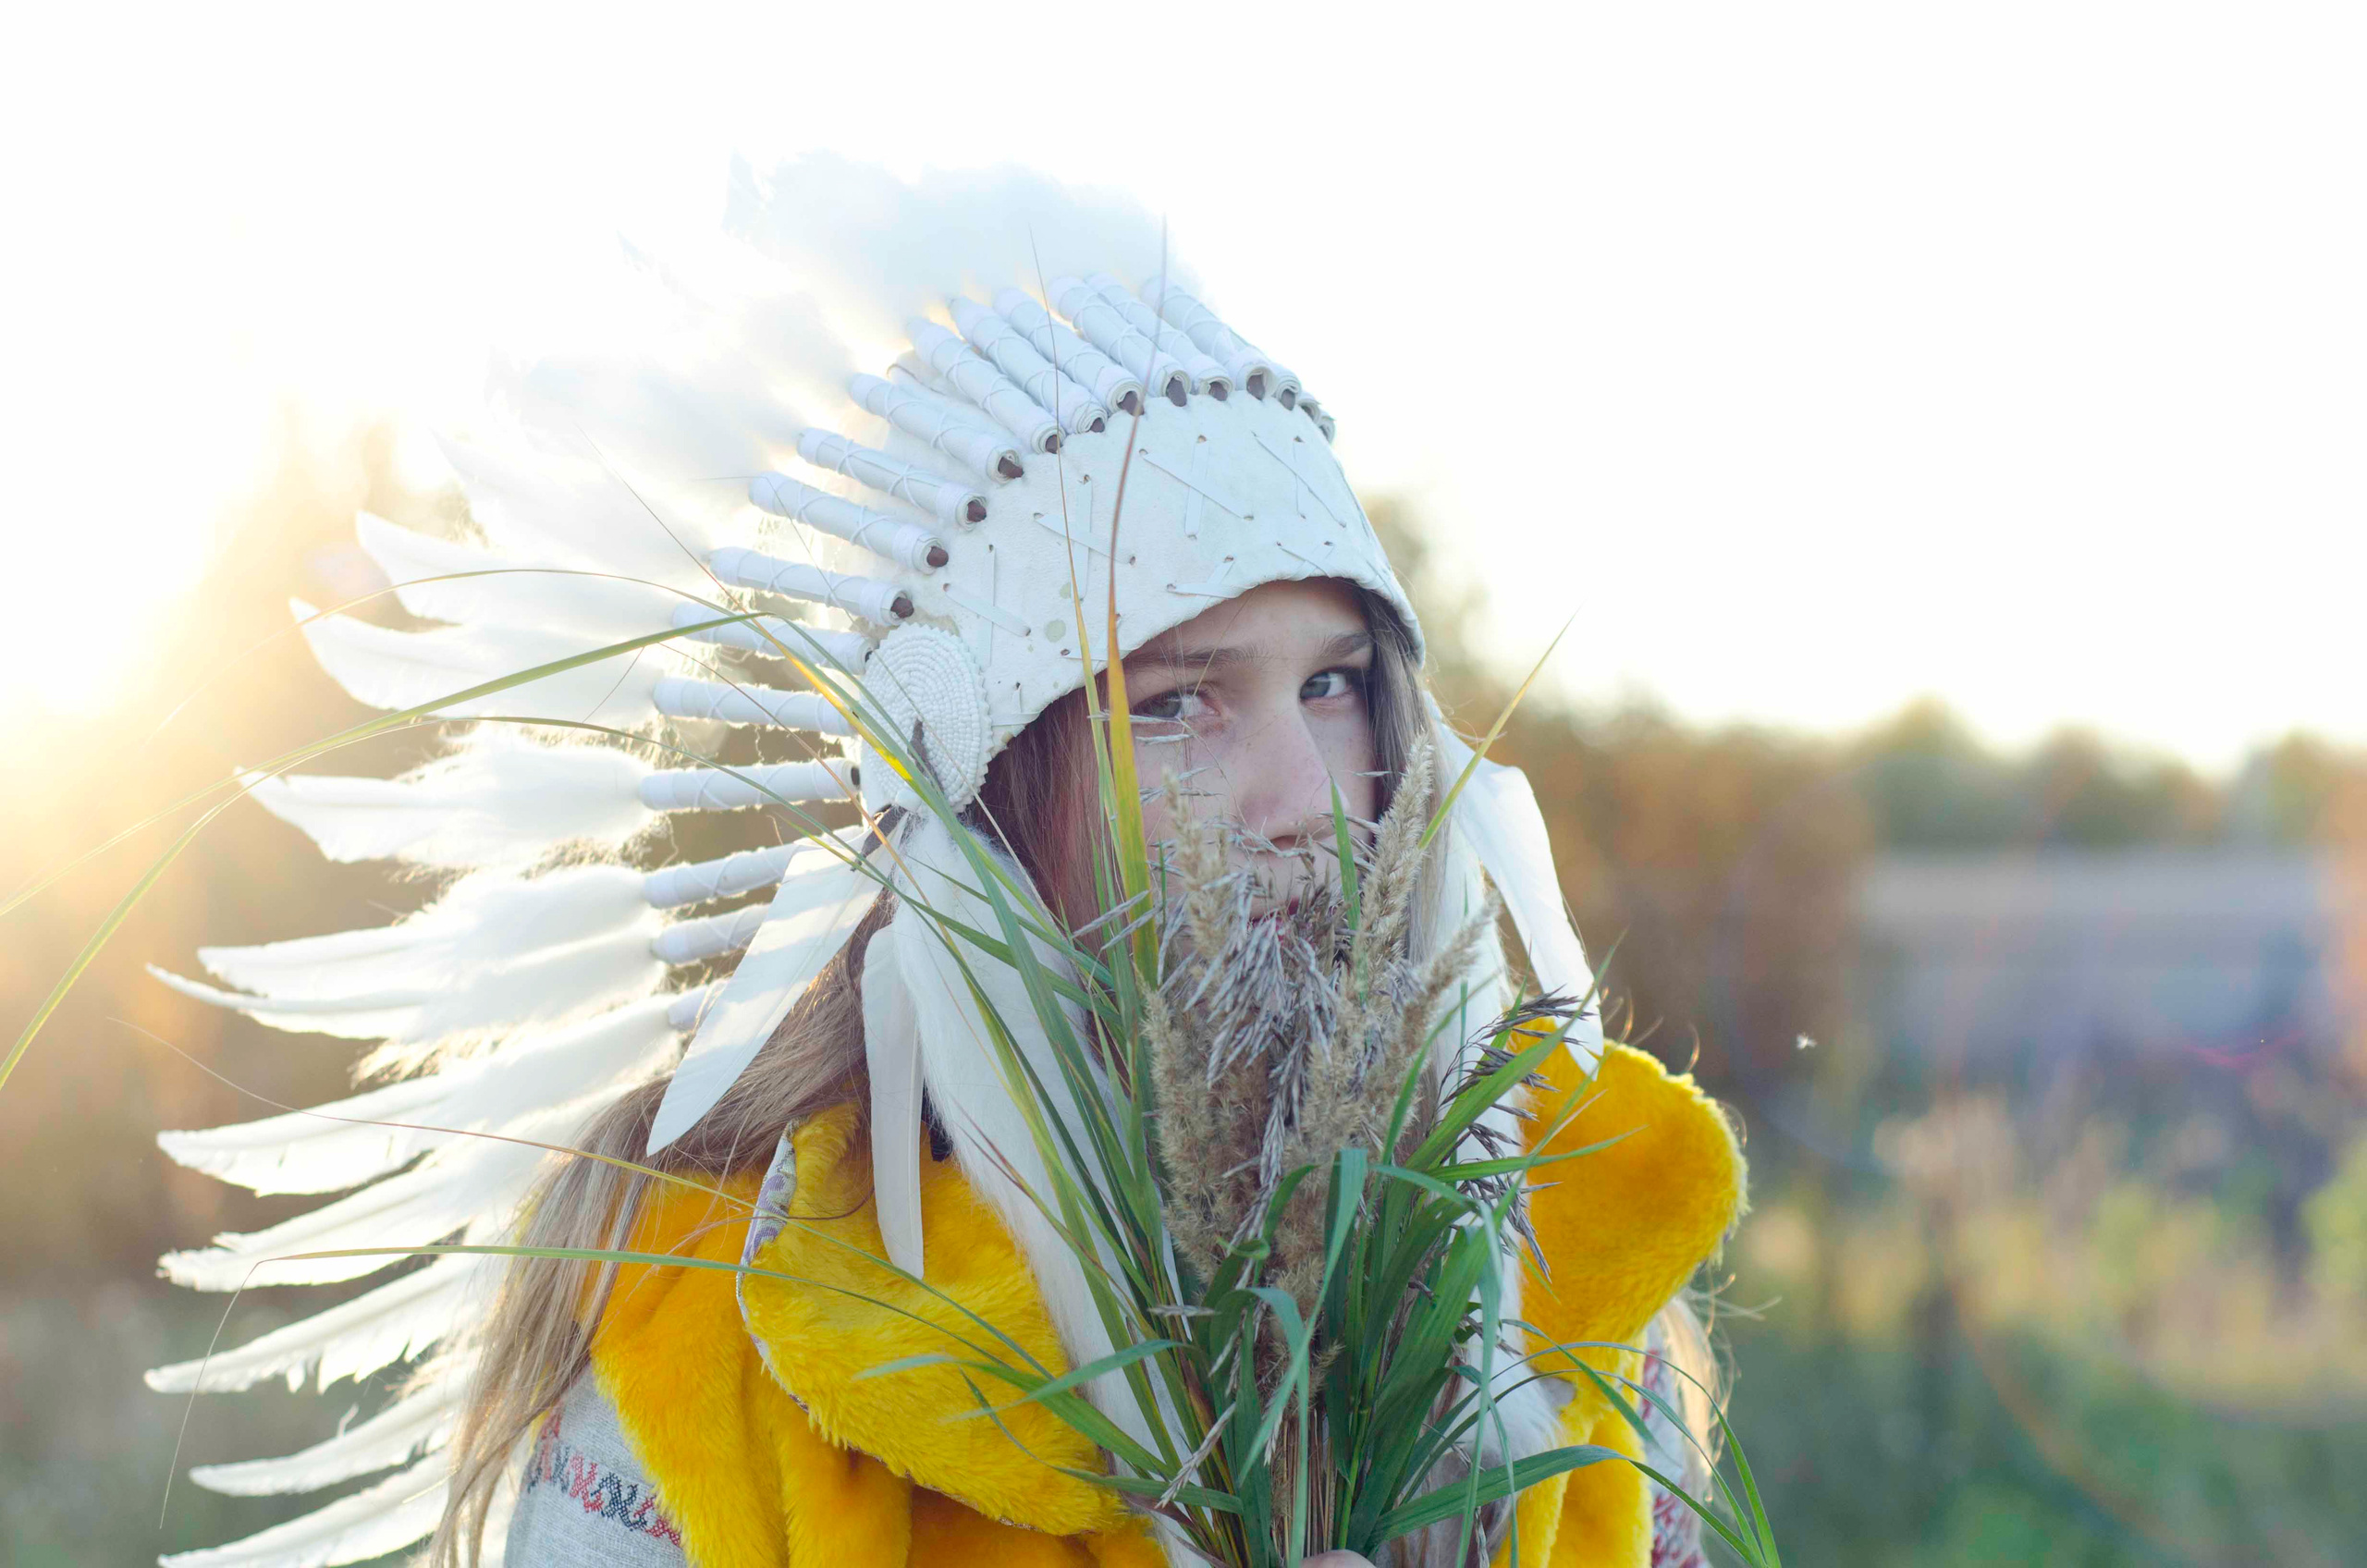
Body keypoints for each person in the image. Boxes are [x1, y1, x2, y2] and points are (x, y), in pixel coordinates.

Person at [147, 173, 1745, 1568]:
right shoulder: (727, 1328)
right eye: (1174, 705)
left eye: (1332, 683)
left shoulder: (1541, 1250)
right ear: (975, 794)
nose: (1302, 803)